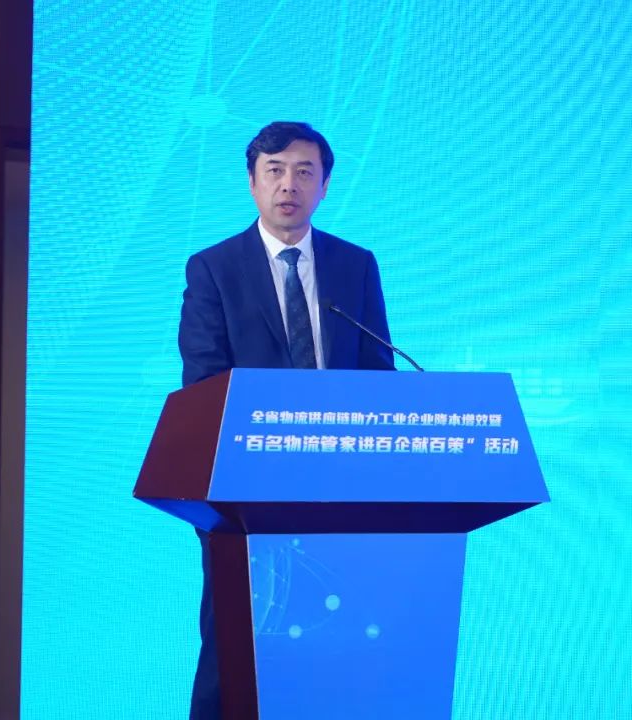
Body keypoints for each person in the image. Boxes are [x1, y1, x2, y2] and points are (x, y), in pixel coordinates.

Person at [178, 121, 395, 719]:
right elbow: (203, 382)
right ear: (252, 183)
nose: (288, 185)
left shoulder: (355, 265)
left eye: (304, 172)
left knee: (337, 646)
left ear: (324, 186)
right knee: (234, 648)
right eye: (273, 171)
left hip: (340, 493)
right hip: (245, 498)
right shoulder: (214, 268)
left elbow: (377, 374)